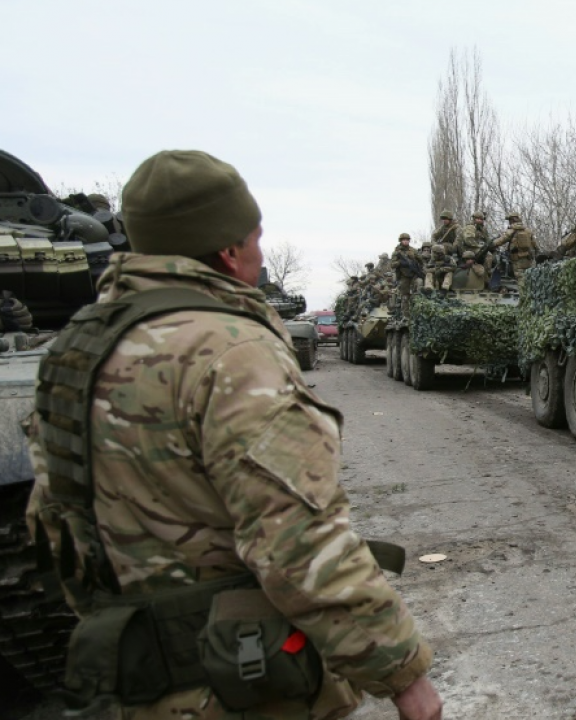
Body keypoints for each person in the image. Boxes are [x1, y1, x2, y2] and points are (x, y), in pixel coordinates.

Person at [24, 150, 442, 719]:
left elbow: (53, 521)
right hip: (239, 681)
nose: (259, 252)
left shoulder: (75, 348)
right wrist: (402, 674)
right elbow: (297, 542)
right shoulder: (232, 352)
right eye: (256, 237)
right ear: (229, 248)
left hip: (123, 676)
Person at [492, 211, 538, 281]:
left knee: (520, 278)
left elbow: (501, 240)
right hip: (528, 258)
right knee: (528, 276)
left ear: (512, 220)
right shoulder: (528, 230)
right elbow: (535, 244)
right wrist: (537, 252)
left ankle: (523, 292)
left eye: (509, 220)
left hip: (517, 258)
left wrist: (492, 244)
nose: (509, 222)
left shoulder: (511, 230)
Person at [392, 232, 423, 315]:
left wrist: (414, 260)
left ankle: (418, 313)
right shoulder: (397, 252)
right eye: (403, 240)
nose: (405, 241)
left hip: (414, 274)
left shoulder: (413, 250)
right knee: (405, 296)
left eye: (407, 240)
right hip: (403, 276)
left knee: (418, 291)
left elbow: (421, 261)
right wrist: (400, 263)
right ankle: (406, 315)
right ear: (400, 241)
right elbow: (392, 264)